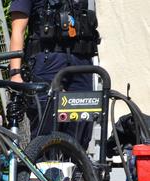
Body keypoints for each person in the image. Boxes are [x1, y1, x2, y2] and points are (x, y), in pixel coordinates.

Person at [9, 0, 100, 149]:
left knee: (82, 124)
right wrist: (15, 73)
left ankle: (79, 170)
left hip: (81, 63)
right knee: (45, 126)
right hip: (47, 62)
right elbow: (18, 29)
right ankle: (42, 169)